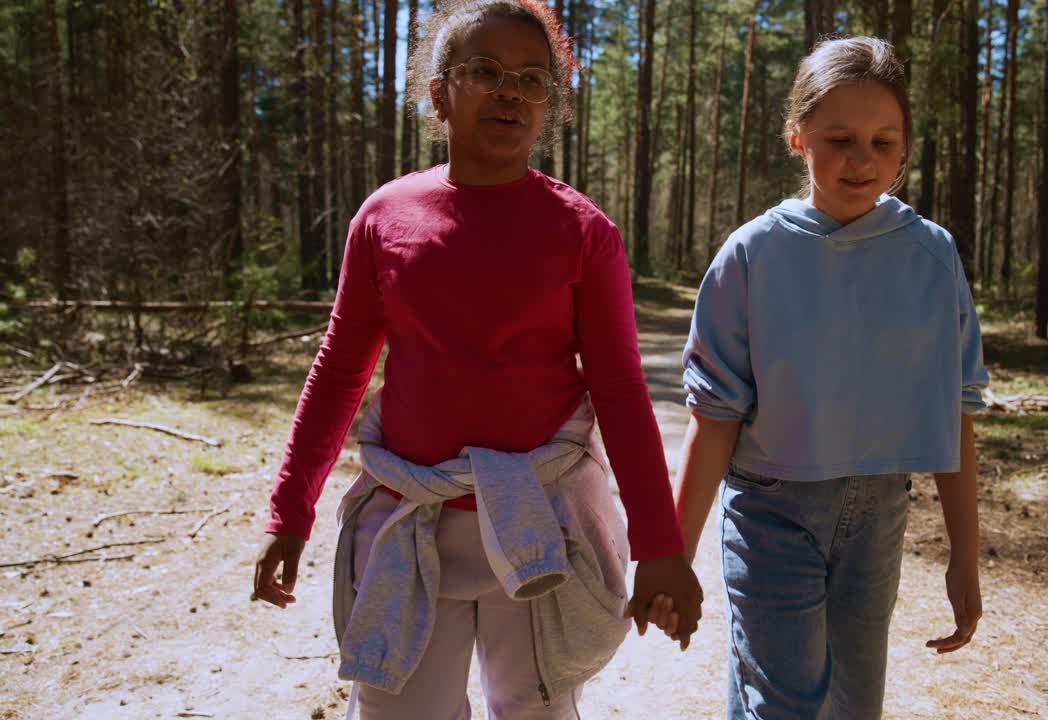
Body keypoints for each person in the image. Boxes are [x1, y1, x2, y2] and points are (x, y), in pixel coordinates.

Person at [249, 2, 701, 717]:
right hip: (409, 518)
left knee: (535, 708)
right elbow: (341, 368)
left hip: (541, 529)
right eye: (484, 71)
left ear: (548, 105)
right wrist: (290, 509)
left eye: (531, 78)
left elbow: (617, 389)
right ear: (439, 94)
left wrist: (660, 545)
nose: (510, 91)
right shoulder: (385, 217)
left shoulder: (583, 232)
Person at [659, 36, 989, 719]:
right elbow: (714, 418)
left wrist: (965, 556)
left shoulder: (931, 256)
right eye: (840, 137)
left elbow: (954, 407)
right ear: (796, 136)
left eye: (884, 141)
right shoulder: (752, 255)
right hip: (770, 511)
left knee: (851, 704)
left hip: (879, 515)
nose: (862, 160)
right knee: (782, 704)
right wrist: (674, 557)